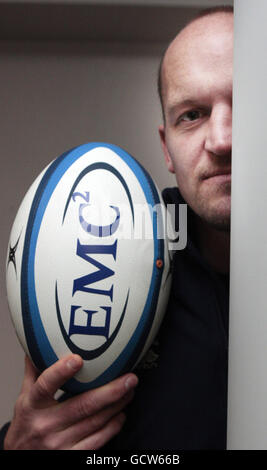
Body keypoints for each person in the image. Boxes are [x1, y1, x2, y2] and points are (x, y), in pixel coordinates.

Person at [0, 5, 233, 450]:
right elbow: (45, 430)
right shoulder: (124, 239)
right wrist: (16, 444)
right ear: (167, 148)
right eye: (192, 114)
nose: (221, 139)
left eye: (249, 106)